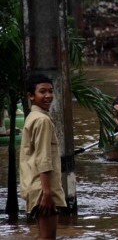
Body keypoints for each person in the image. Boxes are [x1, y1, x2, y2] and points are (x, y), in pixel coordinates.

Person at [19, 74, 67, 239]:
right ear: (31, 96)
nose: (48, 96)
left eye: (50, 91)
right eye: (42, 92)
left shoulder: (32, 117)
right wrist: (47, 193)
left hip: (35, 186)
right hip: (44, 188)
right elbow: (43, 158)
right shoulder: (42, 121)